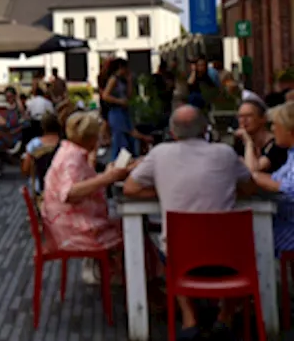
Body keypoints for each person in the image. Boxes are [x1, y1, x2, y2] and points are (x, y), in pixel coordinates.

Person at [124, 105, 257, 334]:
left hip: (181, 257)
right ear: (205, 129)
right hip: (229, 257)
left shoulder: (159, 154)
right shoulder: (225, 153)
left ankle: (189, 317)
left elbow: (130, 188)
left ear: (173, 132)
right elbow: (249, 187)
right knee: (244, 247)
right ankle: (225, 315)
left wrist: (163, 191)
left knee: (165, 243)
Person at [41, 112, 131, 284]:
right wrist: (108, 178)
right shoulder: (72, 158)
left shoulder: (69, 151)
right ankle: (130, 280)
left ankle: (115, 272)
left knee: (122, 226)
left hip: (62, 222)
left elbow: (81, 180)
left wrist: (104, 173)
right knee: (128, 231)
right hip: (71, 229)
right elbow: (69, 193)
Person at [246, 103, 294, 257]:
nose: (272, 129)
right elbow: (273, 178)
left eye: (275, 125)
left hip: (287, 235)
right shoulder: (290, 155)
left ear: (289, 128)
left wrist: (252, 176)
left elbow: (290, 189)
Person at [235, 98, 289, 174]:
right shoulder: (240, 141)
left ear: (263, 118)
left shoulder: (278, 143)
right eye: (240, 116)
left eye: (249, 116)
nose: (243, 120)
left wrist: (249, 143)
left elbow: (252, 171)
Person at [101, 58, 136, 161]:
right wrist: (119, 101)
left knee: (129, 138)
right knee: (120, 140)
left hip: (124, 111)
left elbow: (129, 95)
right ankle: (117, 162)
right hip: (116, 111)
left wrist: (129, 82)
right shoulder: (114, 79)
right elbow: (105, 95)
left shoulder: (123, 80)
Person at [22, 112, 63, 193]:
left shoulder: (34, 144)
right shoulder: (65, 144)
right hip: (61, 185)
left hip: (41, 186)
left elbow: (26, 169)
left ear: (43, 127)